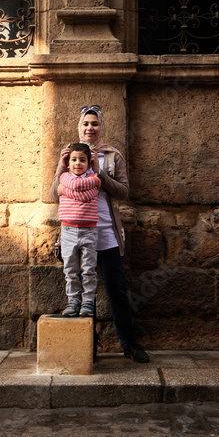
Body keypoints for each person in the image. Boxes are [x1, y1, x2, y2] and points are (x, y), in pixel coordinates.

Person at [51, 105, 150, 363]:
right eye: (85, 123)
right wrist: (63, 168)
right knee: (85, 288)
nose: (90, 128)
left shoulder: (112, 156)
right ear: (79, 127)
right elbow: (53, 193)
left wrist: (100, 173)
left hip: (106, 233)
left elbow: (124, 191)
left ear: (101, 126)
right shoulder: (70, 156)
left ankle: (128, 345)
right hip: (77, 232)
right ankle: (88, 348)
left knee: (116, 288)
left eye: (94, 123)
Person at [57, 142, 101, 317]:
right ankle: (73, 301)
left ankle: (88, 301)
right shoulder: (65, 177)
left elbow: (89, 192)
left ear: (89, 163)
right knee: (70, 269)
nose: (77, 163)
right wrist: (94, 181)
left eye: (82, 160)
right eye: (73, 159)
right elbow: (78, 188)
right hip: (68, 231)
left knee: (88, 269)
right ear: (68, 163)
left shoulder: (94, 179)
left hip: (88, 231)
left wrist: (65, 192)